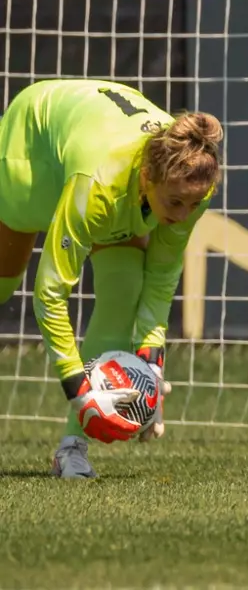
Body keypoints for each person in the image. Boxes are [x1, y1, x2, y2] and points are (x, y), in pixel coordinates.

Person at [0, 78, 220, 479]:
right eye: (175, 203)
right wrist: (78, 388)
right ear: (148, 177)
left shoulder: (192, 185)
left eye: (191, 205)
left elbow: (162, 275)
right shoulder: (99, 187)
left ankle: (71, 449)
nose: (182, 216)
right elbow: (49, 293)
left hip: (101, 158)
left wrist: (151, 366)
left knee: (125, 288)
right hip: (31, 150)